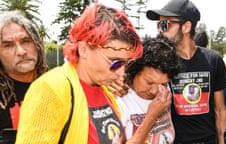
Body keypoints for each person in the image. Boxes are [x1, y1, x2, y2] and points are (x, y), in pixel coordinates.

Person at [15, 3, 168, 144]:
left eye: (126, 64)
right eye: (114, 62)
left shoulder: (106, 90)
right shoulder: (51, 89)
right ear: (84, 49)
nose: (121, 73)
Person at [146, 0, 226, 143]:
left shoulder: (213, 60)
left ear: (186, 27)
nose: (161, 29)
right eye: (159, 25)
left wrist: (222, 141)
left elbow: (220, 110)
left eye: (165, 24)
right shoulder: (161, 62)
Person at [117, 36, 181, 144]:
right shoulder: (120, 98)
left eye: (163, 84)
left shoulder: (165, 93)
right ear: (135, 71)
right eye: (149, 82)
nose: (154, 91)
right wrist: (151, 117)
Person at [0, 10, 48, 142]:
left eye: (26, 41)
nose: (21, 51)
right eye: (8, 45)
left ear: (37, 44)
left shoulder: (59, 86)